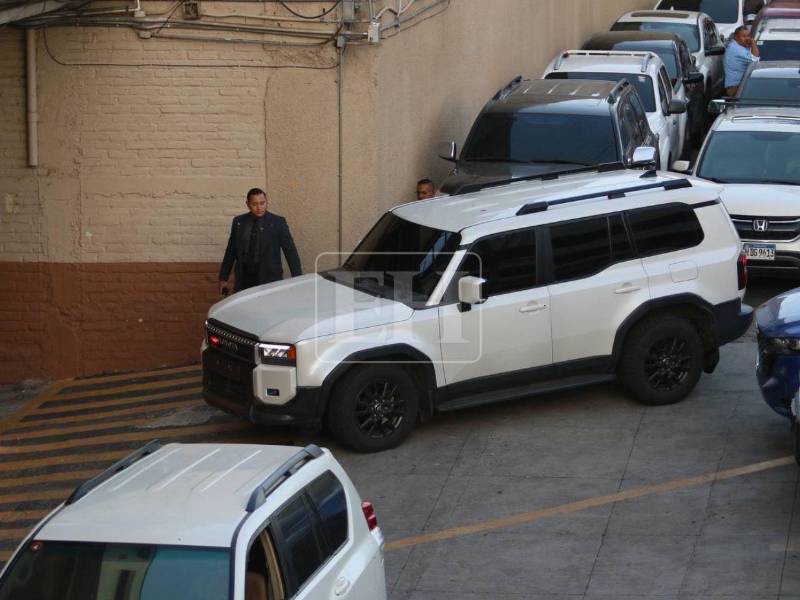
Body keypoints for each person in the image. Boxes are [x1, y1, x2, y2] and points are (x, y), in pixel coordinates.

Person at [218, 188, 302, 294]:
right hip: (244, 278)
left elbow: (290, 251)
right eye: (255, 204)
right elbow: (231, 251)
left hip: (269, 278)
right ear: (248, 204)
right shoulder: (239, 222)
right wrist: (223, 278)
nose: (259, 208)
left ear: (267, 202)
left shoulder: (278, 222)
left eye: (262, 203)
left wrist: (298, 279)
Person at [724, 25, 760, 96]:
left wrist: (749, 46)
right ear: (736, 37)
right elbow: (755, 60)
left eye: (748, 36)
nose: (747, 39)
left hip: (740, 86)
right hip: (735, 88)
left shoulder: (740, 47)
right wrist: (753, 43)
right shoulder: (736, 49)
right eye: (744, 36)